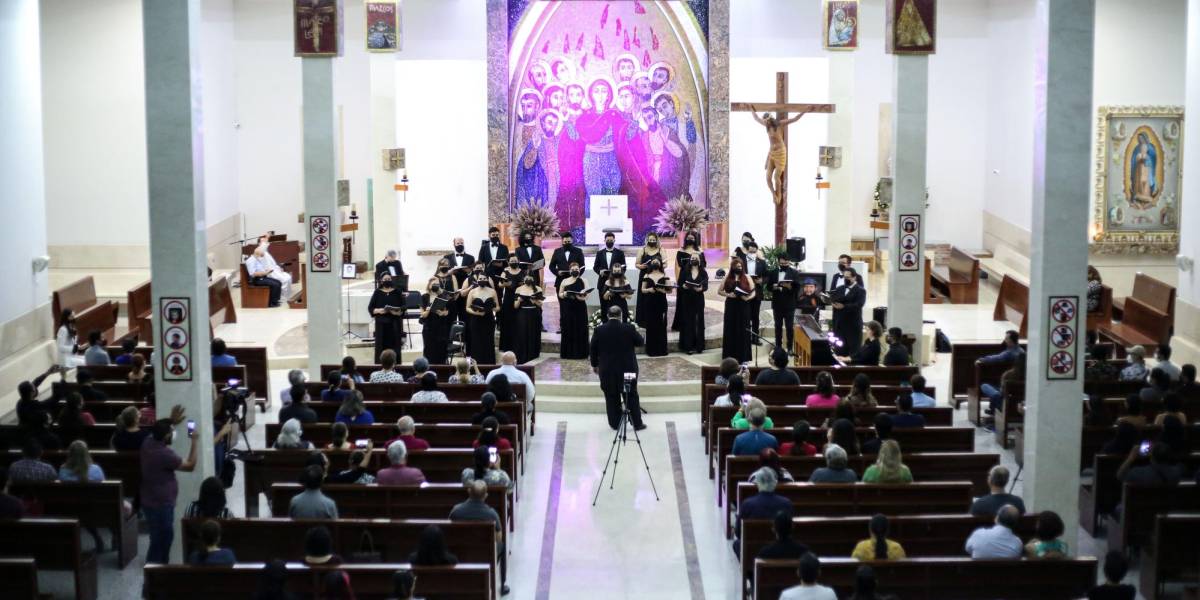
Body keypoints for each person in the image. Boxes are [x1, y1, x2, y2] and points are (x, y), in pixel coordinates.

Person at [141, 416, 200, 564]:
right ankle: (157, 570)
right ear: (166, 435)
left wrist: (171, 420)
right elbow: (190, 465)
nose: (174, 433)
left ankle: (158, 568)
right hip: (162, 504)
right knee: (163, 540)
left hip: (148, 499)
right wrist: (194, 441)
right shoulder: (164, 454)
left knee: (156, 537)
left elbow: (157, 430)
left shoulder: (148, 442)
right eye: (172, 431)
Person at [590, 306, 646, 431]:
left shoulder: (599, 330)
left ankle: (615, 424)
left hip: (607, 371)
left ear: (607, 315)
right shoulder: (629, 328)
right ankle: (637, 423)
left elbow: (593, 349)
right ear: (621, 315)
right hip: (628, 370)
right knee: (631, 394)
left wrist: (595, 365)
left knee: (611, 396)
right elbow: (640, 342)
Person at [450, 480, 509, 595]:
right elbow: (498, 538)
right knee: (502, 546)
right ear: (486, 496)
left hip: (460, 553)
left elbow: (449, 531)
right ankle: (502, 586)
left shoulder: (456, 511)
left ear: (468, 491)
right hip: (486, 555)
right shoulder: (492, 514)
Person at [733, 467, 793, 557]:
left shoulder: (747, 504)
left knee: (736, 543)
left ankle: (749, 568)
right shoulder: (786, 503)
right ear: (775, 483)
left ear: (757, 483)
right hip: (781, 548)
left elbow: (738, 532)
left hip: (752, 551)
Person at [719, 258, 755, 362]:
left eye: (740, 266)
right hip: (731, 306)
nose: (738, 268)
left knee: (743, 329)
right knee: (730, 329)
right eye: (736, 266)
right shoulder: (728, 277)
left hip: (743, 306)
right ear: (732, 267)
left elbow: (753, 292)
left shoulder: (747, 277)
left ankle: (743, 357)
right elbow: (719, 291)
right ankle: (729, 356)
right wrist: (728, 294)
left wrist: (748, 298)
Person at [368, 272, 406, 362]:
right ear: (381, 281)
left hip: (395, 323)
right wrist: (379, 310)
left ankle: (396, 365)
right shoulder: (377, 292)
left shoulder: (397, 291)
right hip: (381, 325)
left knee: (395, 346)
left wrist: (397, 312)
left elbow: (404, 306)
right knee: (381, 347)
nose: (387, 281)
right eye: (385, 279)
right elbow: (370, 308)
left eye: (389, 279)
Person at [638, 257, 670, 356]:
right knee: (651, 326)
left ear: (660, 263)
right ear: (651, 264)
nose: (655, 262)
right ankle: (651, 350)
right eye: (653, 261)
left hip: (661, 302)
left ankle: (662, 350)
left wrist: (662, 290)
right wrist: (649, 290)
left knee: (661, 326)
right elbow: (642, 290)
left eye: (657, 261)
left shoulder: (664, 275)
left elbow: (669, 290)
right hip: (649, 303)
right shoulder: (647, 275)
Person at [464, 272, 499, 364]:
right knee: (476, 342)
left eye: (484, 279)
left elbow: (498, 307)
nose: (482, 280)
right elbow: (467, 308)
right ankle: (476, 365)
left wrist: (491, 308)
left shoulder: (492, 291)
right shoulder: (472, 291)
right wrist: (476, 313)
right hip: (476, 320)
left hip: (489, 320)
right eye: (480, 279)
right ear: (477, 280)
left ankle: (489, 364)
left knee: (488, 342)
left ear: (487, 280)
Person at [829, 267, 866, 354]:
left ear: (854, 277)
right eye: (844, 277)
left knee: (853, 353)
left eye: (848, 277)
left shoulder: (861, 290)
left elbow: (859, 305)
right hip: (839, 326)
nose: (846, 279)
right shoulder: (840, 288)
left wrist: (844, 307)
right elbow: (833, 299)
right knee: (839, 351)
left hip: (852, 326)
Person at [676, 254, 708, 354]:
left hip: (698, 299)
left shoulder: (703, 272)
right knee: (688, 321)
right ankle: (688, 346)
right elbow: (680, 284)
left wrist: (701, 288)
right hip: (687, 299)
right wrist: (683, 286)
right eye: (692, 258)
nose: (694, 260)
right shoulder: (684, 271)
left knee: (699, 321)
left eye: (696, 258)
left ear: (699, 260)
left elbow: (706, 285)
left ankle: (699, 346)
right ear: (690, 260)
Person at [558, 262, 590, 359]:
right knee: (568, 328)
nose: (575, 271)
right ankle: (568, 353)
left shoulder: (584, 280)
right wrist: (565, 294)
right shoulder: (564, 281)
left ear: (579, 270)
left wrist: (581, 297)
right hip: (567, 308)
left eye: (577, 269)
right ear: (570, 270)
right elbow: (560, 294)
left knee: (580, 328)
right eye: (573, 269)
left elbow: (587, 294)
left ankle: (581, 353)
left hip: (580, 307)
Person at [767, 254, 800, 351]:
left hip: (789, 304)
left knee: (789, 327)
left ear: (789, 262)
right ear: (778, 262)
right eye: (782, 263)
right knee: (777, 326)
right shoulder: (773, 272)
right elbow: (768, 287)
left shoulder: (794, 272)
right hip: (777, 304)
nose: (784, 265)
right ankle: (778, 346)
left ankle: (790, 347)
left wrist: (789, 287)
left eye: (786, 263)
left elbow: (797, 288)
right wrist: (774, 287)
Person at [245, 241, 291, 307]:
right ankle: (271, 303)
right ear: (258, 253)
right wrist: (265, 272)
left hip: (262, 277)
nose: (262, 255)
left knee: (278, 282)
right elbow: (252, 273)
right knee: (275, 284)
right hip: (257, 280)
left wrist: (267, 271)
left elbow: (260, 269)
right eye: (262, 254)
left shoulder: (256, 259)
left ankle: (275, 301)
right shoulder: (251, 260)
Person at [1117, 441, 1183, 487]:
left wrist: (1131, 457)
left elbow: (1120, 476)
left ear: (1151, 457)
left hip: (1142, 506)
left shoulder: (1138, 473)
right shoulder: (1177, 472)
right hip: (1167, 506)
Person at [511, 275, 545, 363]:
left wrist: (535, 301)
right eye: (526, 278)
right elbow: (515, 306)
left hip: (534, 314)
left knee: (533, 332)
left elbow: (541, 304)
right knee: (522, 333)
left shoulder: (538, 288)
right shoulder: (519, 289)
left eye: (530, 278)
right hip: (522, 313)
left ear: (533, 279)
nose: (528, 280)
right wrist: (519, 300)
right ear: (523, 279)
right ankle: (522, 353)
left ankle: (532, 354)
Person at [420, 278, 453, 365]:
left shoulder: (443, 296)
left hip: (441, 327)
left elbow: (448, 312)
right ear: (429, 285)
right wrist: (428, 310)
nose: (435, 286)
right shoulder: (424, 297)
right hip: (429, 328)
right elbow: (423, 315)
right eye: (433, 284)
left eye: (437, 284)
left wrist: (443, 313)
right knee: (429, 350)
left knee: (441, 351)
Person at [496, 256, 525, 352]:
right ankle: (506, 346)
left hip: (519, 298)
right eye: (511, 261)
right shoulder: (505, 272)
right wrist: (505, 284)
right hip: (508, 299)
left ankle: (518, 345)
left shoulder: (523, 271)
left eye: (515, 261)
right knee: (507, 321)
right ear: (508, 262)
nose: (513, 262)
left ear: (518, 261)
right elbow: (500, 285)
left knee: (518, 321)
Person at [741, 243, 766, 343]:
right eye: (750, 251)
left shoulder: (762, 262)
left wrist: (762, 281)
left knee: (755, 315)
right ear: (747, 251)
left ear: (757, 251)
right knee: (745, 315)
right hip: (745, 291)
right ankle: (745, 336)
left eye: (754, 251)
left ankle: (755, 337)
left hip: (757, 291)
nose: (752, 253)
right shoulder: (741, 261)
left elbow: (767, 275)